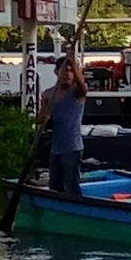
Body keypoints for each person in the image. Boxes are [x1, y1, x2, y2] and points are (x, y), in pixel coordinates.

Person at [38, 52, 88, 195]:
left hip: (72, 148)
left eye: (71, 71)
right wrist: (44, 114)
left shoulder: (76, 93)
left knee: (72, 186)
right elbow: (41, 120)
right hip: (56, 148)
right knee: (54, 186)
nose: (68, 74)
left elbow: (83, 87)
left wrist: (73, 63)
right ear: (56, 72)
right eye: (65, 70)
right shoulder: (48, 94)